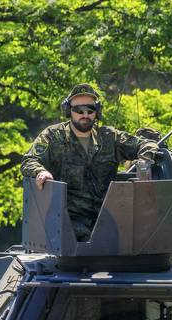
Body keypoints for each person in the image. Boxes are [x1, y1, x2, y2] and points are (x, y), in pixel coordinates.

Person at [20, 84, 159, 240]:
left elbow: (146, 144)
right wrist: (41, 171)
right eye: (79, 110)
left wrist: (144, 163)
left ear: (97, 112)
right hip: (70, 222)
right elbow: (29, 160)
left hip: (109, 219)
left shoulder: (110, 137)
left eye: (90, 110)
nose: (85, 114)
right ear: (68, 110)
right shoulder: (53, 136)